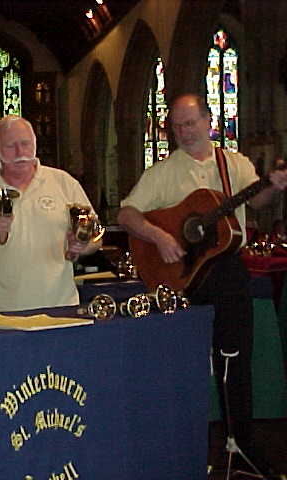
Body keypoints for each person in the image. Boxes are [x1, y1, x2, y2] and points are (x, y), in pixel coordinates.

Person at [117, 93, 287, 475]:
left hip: (227, 273)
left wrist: (273, 186)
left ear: (208, 121)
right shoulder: (163, 171)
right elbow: (127, 213)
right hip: (182, 280)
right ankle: (177, 447)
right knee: (181, 367)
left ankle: (240, 444)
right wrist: (159, 237)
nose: (183, 132)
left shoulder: (233, 163)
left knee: (236, 362)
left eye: (190, 123)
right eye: (176, 125)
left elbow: (255, 200)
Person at [0, 115, 101, 314]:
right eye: (11, 146)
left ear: (35, 144)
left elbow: (96, 236)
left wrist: (83, 244)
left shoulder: (64, 183)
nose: (20, 153)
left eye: (25, 144)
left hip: (60, 311)